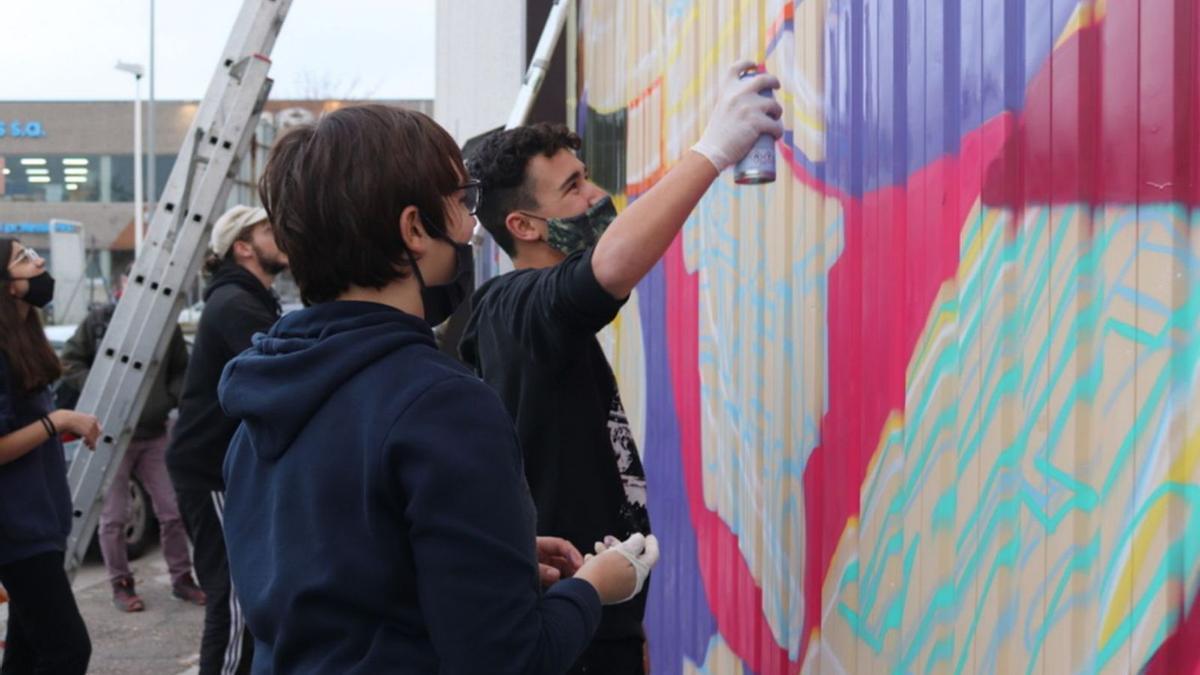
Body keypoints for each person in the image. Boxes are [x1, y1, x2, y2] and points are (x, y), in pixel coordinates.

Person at [218, 103, 658, 674]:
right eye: (462, 202)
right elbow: (510, 659)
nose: (474, 227)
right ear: (412, 230)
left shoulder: (266, 394)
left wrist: (498, 554)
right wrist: (595, 589)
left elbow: (340, 580)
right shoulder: (439, 405)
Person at [460, 60, 783, 673]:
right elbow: (607, 270)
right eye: (573, 187)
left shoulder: (534, 320)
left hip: (594, 623)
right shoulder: (516, 308)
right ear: (523, 226)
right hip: (566, 629)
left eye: (585, 177)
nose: (594, 196)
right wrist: (713, 151)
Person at [166, 205, 288, 675]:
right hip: (210, 470)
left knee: (241, 593)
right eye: (268, 230)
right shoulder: (235, 305)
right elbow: (277, 378)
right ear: (243, 247)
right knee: (235, 598)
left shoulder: (248, 298)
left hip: (220, 468)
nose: (282, 235)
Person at [59, 267, 205, 612]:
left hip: (154, 433)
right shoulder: (98, 322)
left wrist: (168, 398)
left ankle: (182, 579)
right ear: (123, 284)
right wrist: (99, 389)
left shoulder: (163, 326)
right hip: (110, 436)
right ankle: (120, 584)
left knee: (171, 511)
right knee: (113, 517)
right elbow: (69, 361)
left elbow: (182, 370)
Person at [0, 238, 100, 674]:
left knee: (27, 655)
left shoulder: (25, 339)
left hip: (39, 522)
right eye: (24, 259)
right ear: (7, 287)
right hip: (17, 532)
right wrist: (57, 422)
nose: (40, 261)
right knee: (67, 650)